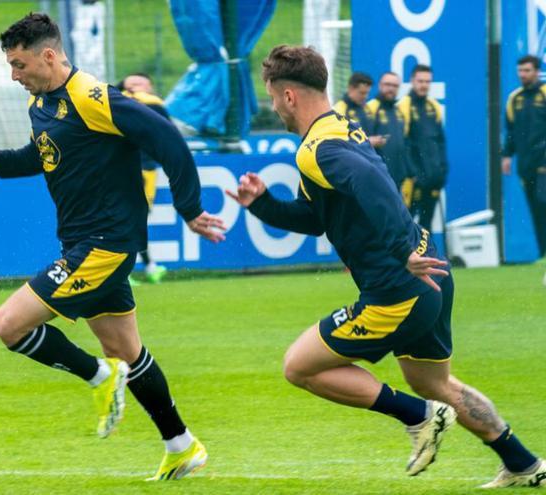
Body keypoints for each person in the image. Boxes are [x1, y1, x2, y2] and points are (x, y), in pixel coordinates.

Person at [226, 45, 545, 488]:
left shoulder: (318, 148)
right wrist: (261, 205)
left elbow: (371, 182)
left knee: (298, 367)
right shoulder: (340, 127)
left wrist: (401, 250)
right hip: (430, 273)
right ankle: (523, 462)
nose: (275, 106)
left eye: (273, 97)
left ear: (289, 96)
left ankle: (418, 417)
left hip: (399, 287)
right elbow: (318, 218)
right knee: (438, 384)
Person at [0, 13, 225, 480]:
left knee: (9, 324)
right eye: (10, 65)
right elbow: (39, 156)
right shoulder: (42, 104)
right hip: (86, 242)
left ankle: (99, 377)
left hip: (104, 245)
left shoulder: (92, 97)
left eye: (19, 64)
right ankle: (182, 445)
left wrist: (189, 208)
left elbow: (167, 139)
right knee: (128, 349)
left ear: (48, 55)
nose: (14, 76)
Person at [118, 72, 170, 284]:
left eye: (142, 82)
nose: (137, 85)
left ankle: (142, 267)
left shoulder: (155, 105)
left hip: (146, 170)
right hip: (118, 170)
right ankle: (130, 270)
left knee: (135, 220)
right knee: (126, 219)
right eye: (132, 82)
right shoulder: (115, 101)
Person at [501, 55, 546, 264]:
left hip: (544, 162)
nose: (523, 75)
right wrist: (507, 155)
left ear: (537, 71)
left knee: (543, 202)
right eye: (520, 71)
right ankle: (543, 253)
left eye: (527, 70)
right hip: (526, 165)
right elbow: (510, 131)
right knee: (536, 209)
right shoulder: (514, 98)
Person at [399, 65, 448, 232]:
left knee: (427, 224)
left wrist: (442, 171)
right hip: (413, 180)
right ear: (412, 81)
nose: (424, 85)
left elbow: (440, 142)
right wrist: (413, 173)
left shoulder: (434, 107)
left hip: (433, 178)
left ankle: (426, 257)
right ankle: (405, 257)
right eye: (420, 81)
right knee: (407, 221)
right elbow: (402, 144)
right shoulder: (403, 106)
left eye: (428, 81)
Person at [366, 72, 414, 202]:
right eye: (388, 84)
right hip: (379, 179)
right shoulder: (370, 108)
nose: (391, 88)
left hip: (398, 178)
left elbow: (403, 143)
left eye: (395, 85)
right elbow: (358, 143)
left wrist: (409, 171)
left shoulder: (398, 111)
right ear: (380, 85)